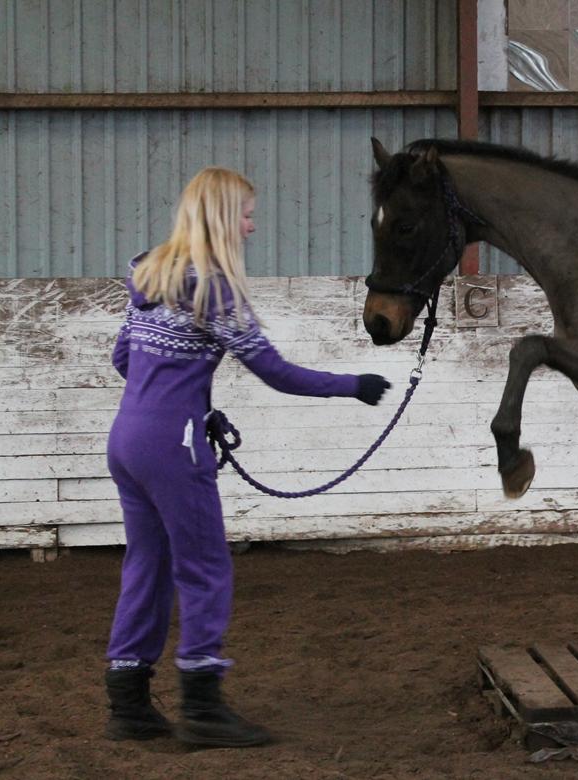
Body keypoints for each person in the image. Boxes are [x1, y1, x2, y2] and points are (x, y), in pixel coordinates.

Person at [103, 167, 391, 747]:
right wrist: (352, 384)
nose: (253, 226)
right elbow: (276, 373)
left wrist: (181, 400)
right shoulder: (215, 290)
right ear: (220, 217)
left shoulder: (148, 274)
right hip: (172, 446)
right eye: (247, 214)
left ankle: (128, 704)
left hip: (128, 439)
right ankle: (204, 710)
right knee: (206, 569)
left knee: (147, 566)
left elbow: (122, 360)